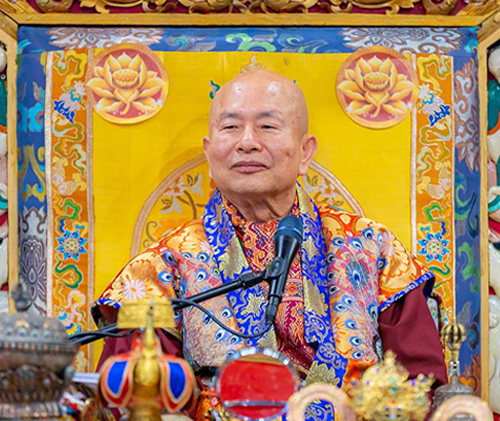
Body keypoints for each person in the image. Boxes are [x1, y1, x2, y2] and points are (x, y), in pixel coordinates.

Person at [93, 69, 447, 420]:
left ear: (305, 152)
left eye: (267, 126)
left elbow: (421, 385)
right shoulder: (159, 269)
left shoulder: (371, 248)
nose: (247, 141)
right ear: (209, 153)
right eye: (230, 127)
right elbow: (134, 400)